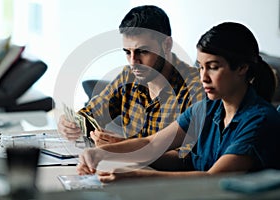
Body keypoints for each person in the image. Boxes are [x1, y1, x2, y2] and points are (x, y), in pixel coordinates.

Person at [77, 22, 280, 183]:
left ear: (242, 68)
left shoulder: (259, 120)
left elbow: (214, 178)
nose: (204, 77)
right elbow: (153, 143)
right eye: (201, 67)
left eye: (213, 67)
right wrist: (100, 152)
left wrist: (137, 177)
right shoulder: (206, 108)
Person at [57, 5, 204, 147]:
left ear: (166, 45)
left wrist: (127, 148)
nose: (133, 62)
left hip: (161, 172)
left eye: (143, 51)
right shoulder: (128, 76)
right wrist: (70, 124)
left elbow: (190, 157)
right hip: (128, 168)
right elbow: (91, 114)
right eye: (128, 52)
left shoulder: (197, 88)